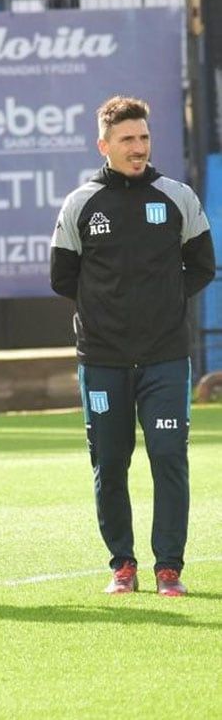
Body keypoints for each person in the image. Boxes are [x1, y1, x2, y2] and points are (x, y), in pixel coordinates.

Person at [50, 96, 216, 597]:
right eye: (127, 139)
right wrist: (109, 310)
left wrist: (161, 303)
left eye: (143, 137)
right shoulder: (81, 203)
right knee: (110, 461)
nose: (138, 147)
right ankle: (123, 565)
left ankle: (169, 568)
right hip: (102, 359)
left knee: (168, 455)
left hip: (166, 356)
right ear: (105, 145)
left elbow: (203, 266)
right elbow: (63, 277)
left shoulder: (177, 197)